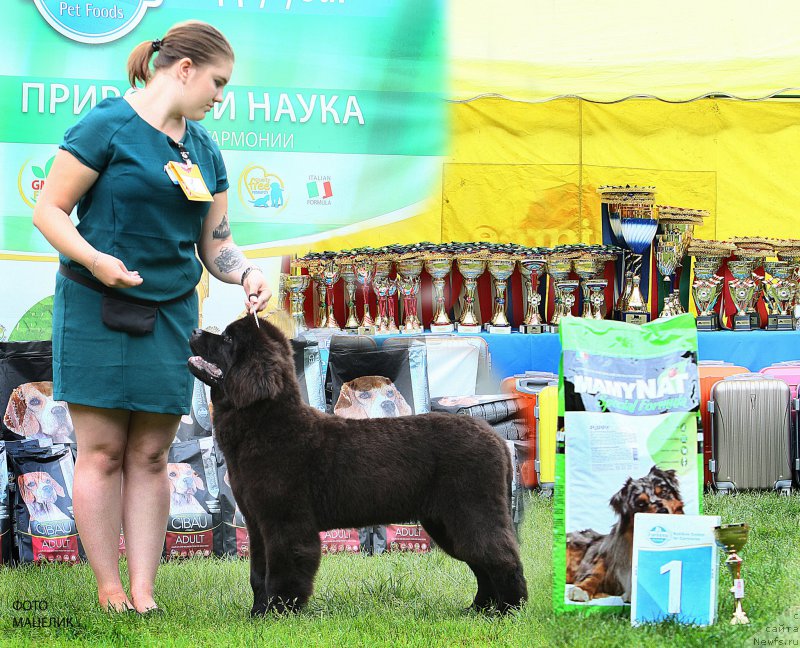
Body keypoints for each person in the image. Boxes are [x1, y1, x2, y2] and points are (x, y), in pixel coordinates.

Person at [32, 21, 271, 614]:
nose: (221, 96)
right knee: (104, 452)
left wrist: (244, 272)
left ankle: (143, 592)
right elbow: (49, 210)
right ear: (184, 69)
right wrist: (94, 259)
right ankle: (108, 589)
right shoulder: (106, 124)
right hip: (96, 304)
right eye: (218, 82)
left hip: (171, 315)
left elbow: (216, 244)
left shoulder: (206, 149)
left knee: (151, 455)